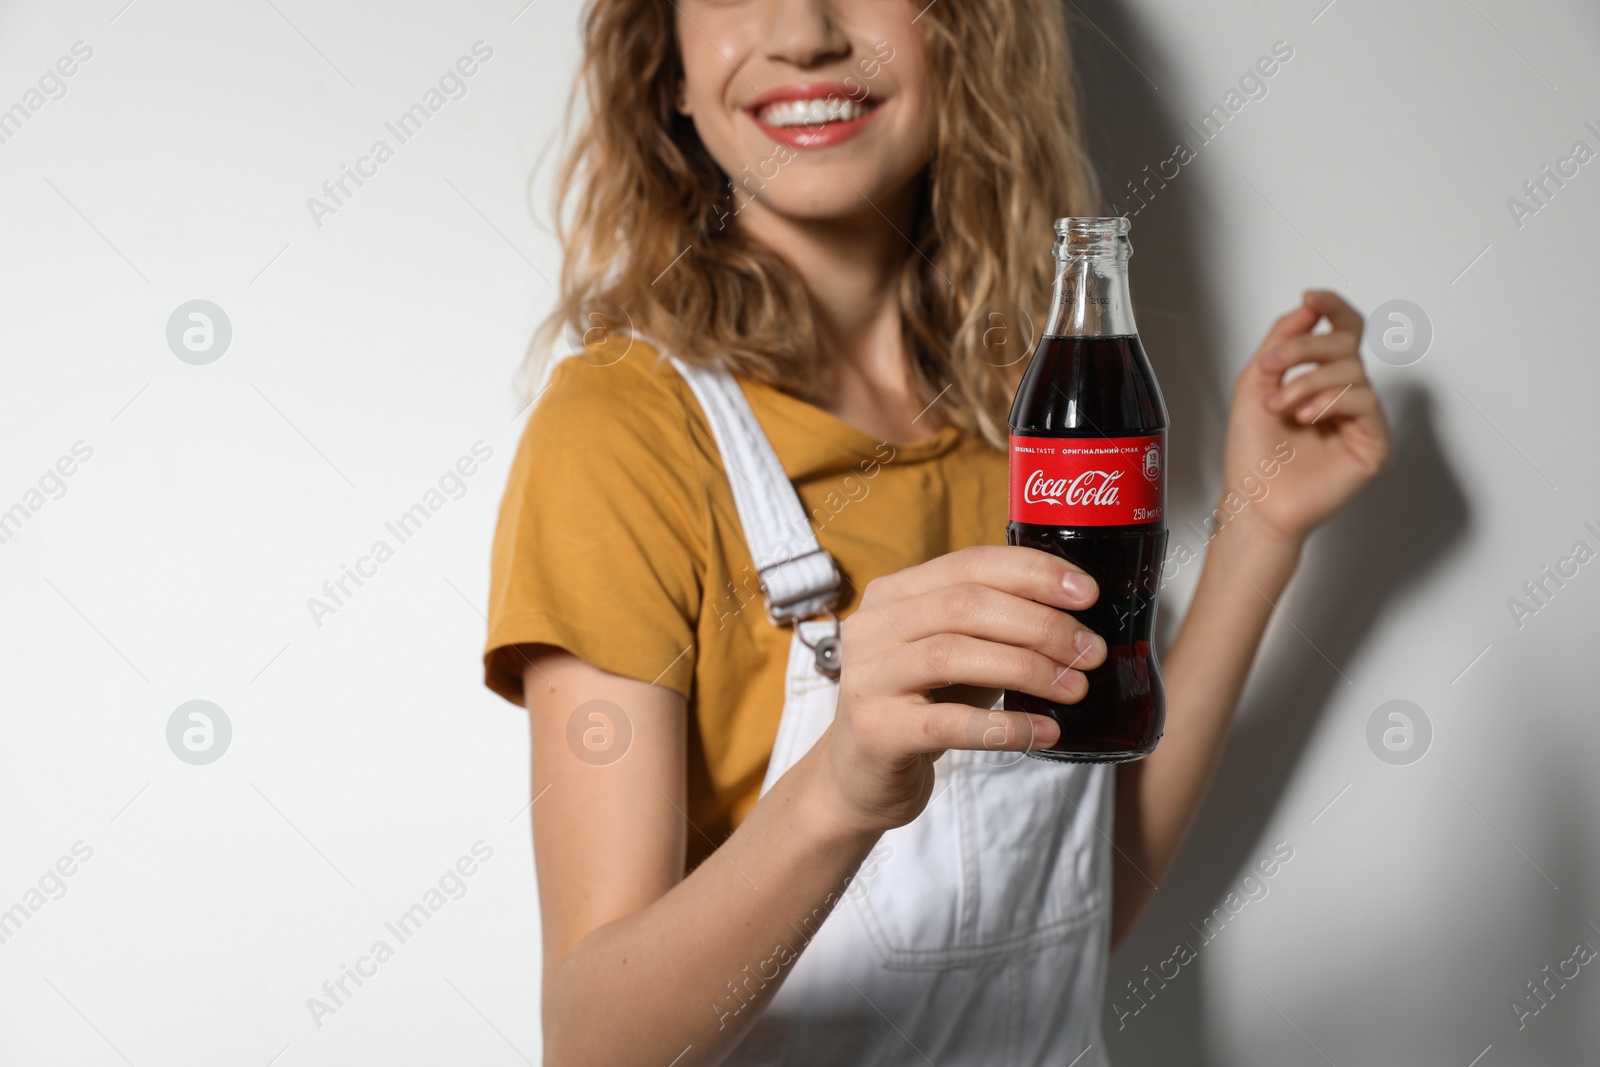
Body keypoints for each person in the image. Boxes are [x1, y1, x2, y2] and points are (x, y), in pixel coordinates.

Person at [481, 2, 1392, 1064]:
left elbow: (1069, 914)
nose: (805, 31)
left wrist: (1258, 526)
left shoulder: (1030, 422)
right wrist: (840, 782)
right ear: (666, 67)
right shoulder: (620, 434)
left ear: (964, 31)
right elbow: (594, 1042)